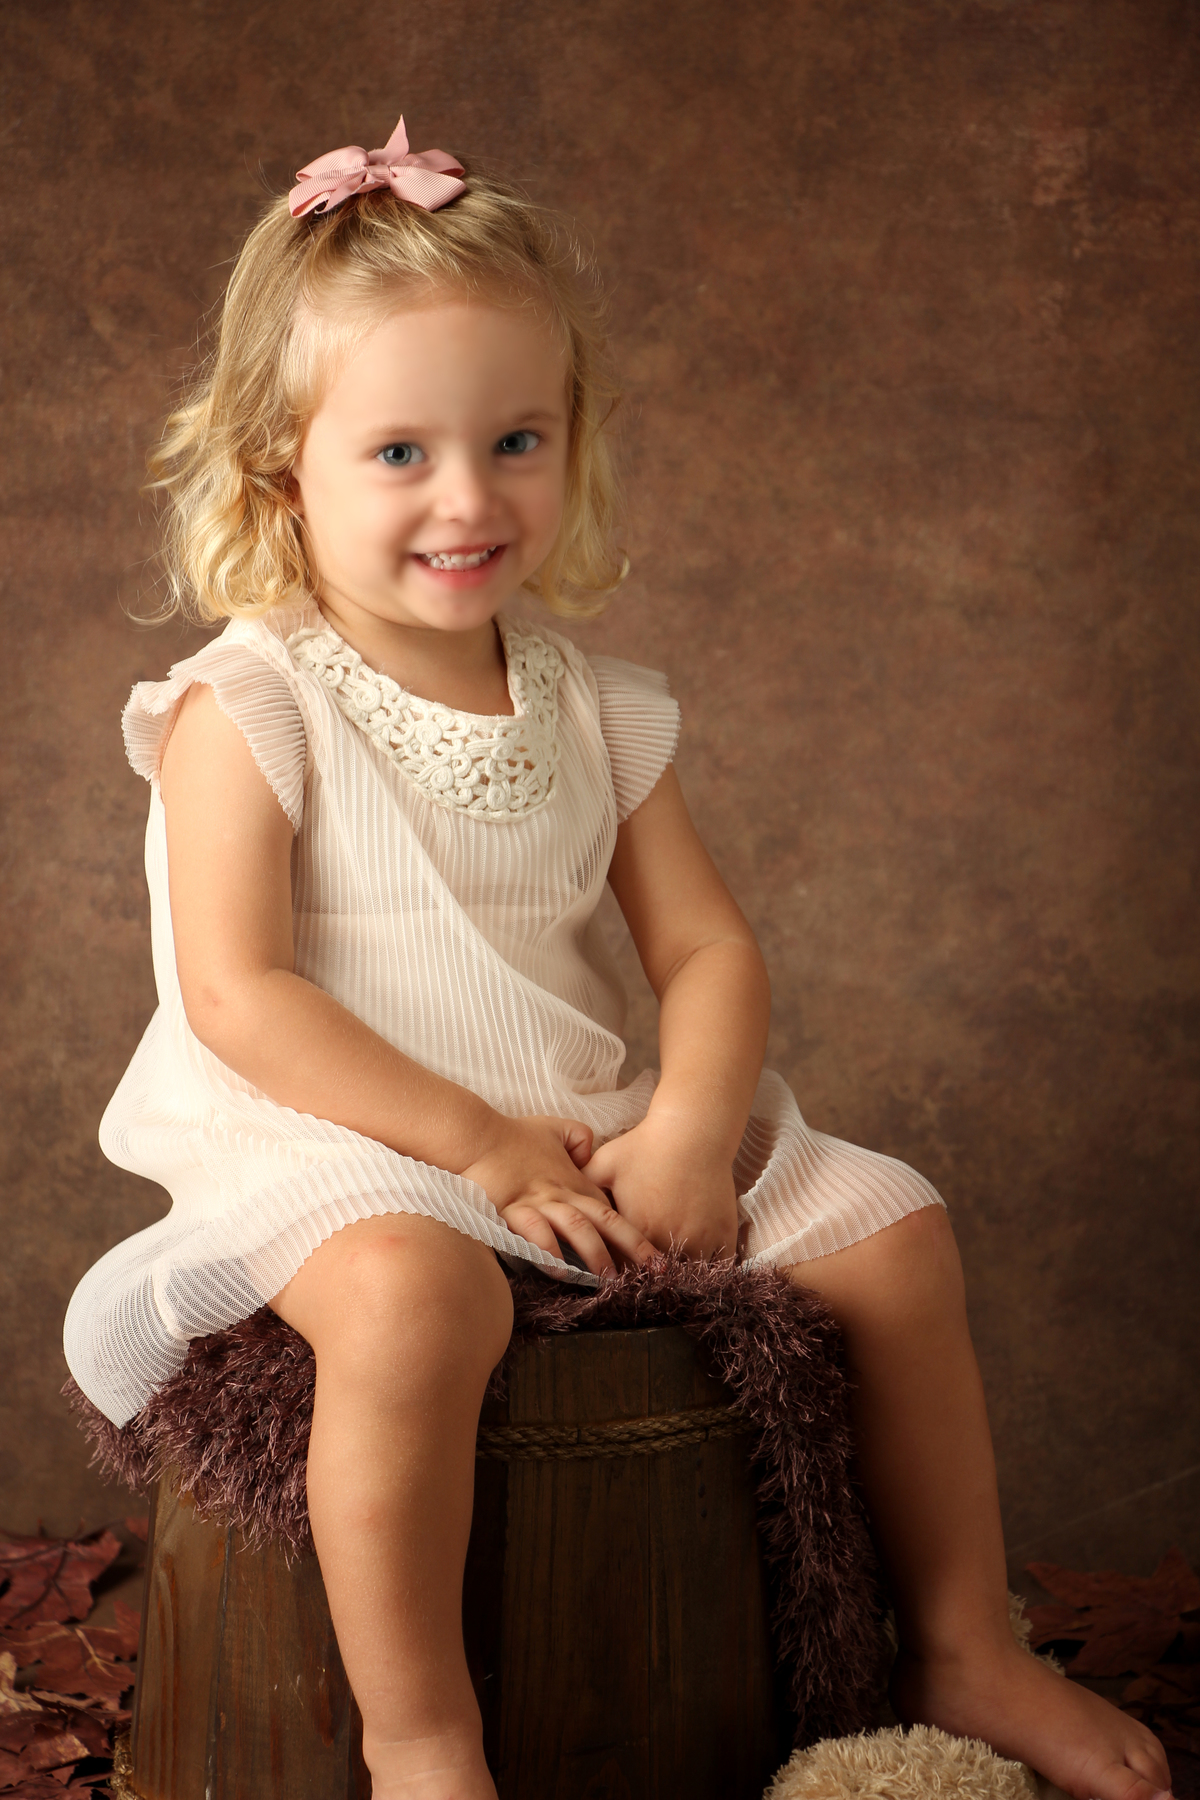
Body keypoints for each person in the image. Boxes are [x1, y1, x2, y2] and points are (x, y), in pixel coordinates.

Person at [63, 117, 1172, 1800]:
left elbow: (708, 946)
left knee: (896, 1232)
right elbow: (241, 998)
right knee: (417, 1298)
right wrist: (475, 1147)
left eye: (516, 439)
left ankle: (965, 1641)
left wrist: (690, 1128)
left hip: (575, 1118)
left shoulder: (592, 702)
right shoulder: (252, 704)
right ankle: (424, 1737)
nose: (468, 497)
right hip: (334, 1136)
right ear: (282, 463)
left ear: (574, 438)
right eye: (399, 452)